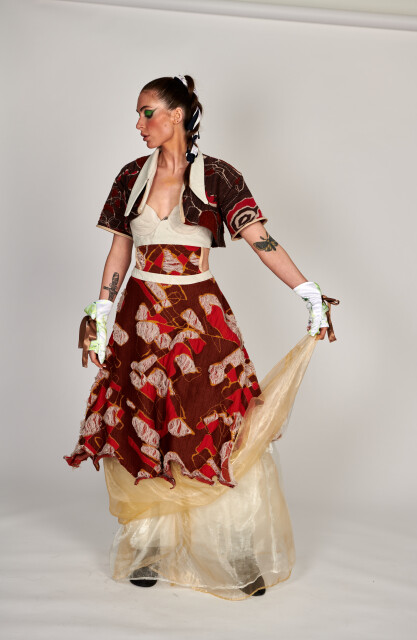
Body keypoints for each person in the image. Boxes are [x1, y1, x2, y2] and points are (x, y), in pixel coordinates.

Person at [64, 74, 339, 600]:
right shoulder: (131, 176)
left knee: (213, 427)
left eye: (147, 112)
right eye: (138, 113)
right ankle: (150, 547)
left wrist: (309, 293)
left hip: (198, 318)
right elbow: (120, 250)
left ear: (177, 115)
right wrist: (100, 312)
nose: (139, 123)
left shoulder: (219, 177)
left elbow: (260, 239)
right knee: (146, 426)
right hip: (140, 319)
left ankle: (233, 552)